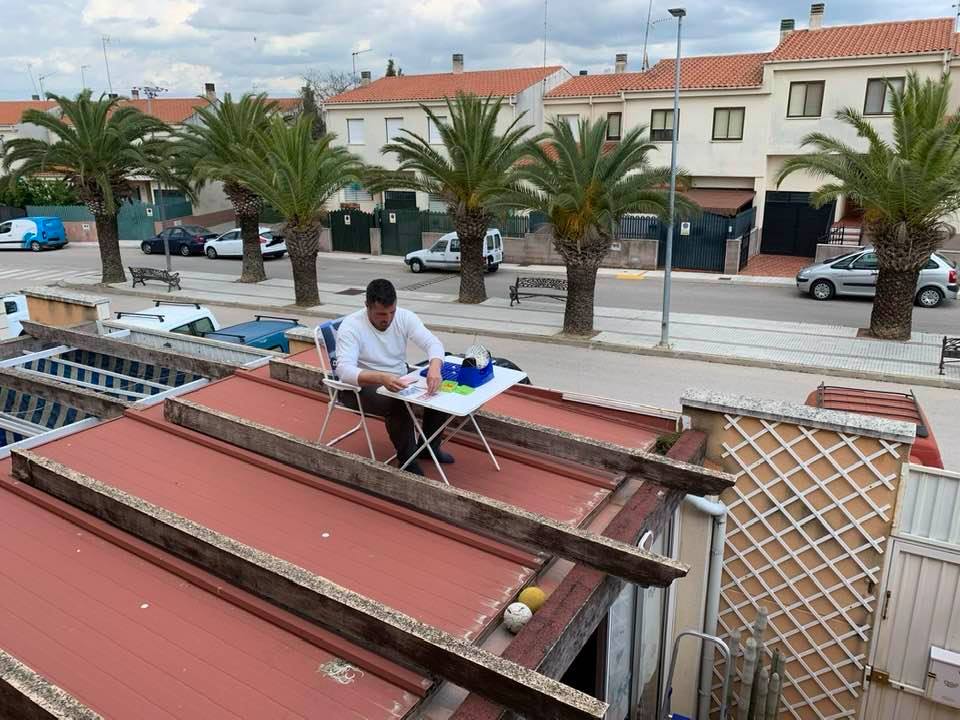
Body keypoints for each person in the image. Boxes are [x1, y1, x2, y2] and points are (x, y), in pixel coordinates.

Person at [335, 278, 454, 476]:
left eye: (392, 312)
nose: (388, 318)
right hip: (359, 387)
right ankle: (407, 459)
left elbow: (433, 344)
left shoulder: (405, 317)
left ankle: (429, 447)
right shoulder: (351, 326)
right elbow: (344, 371)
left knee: (439, 386)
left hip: (398, 377)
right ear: (367, 306)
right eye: (381, 314)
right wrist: (381, 378)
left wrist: (434, 367)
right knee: (397, 402)